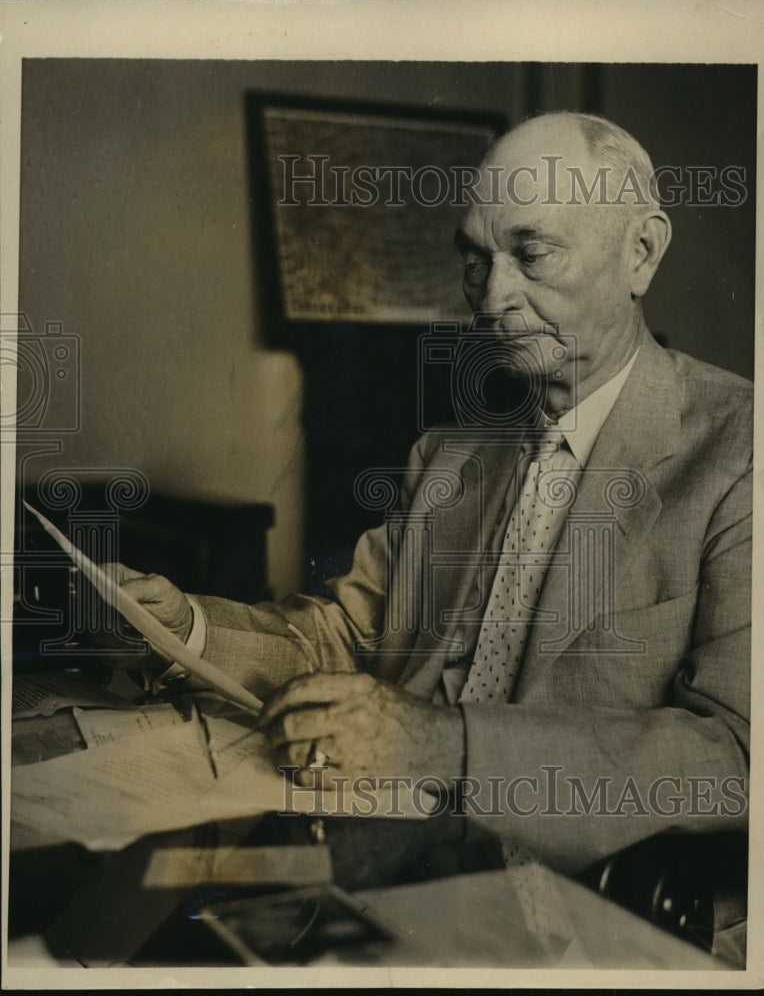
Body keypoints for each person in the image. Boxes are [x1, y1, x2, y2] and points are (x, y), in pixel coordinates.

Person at [118, 111, 751, 877]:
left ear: (640, 253)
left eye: (532, 253)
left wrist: (441, 745)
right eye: (477, 261)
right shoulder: (452, 455)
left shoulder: (739, 452)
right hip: (381, 846)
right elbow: (346, 640)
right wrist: (186, 628)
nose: (490, 301)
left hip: (570, 895)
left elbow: (734, 756)